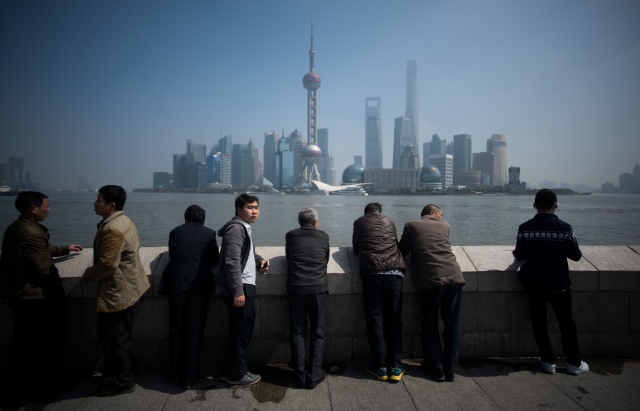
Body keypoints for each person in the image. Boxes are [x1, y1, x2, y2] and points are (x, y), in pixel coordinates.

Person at [0, 191, 83, 407]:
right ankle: (38, 389)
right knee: (40, 344)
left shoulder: (18, 227)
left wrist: (65, 248)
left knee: (24, 344)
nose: (49, 209)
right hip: (34, 298)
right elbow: (45, 268)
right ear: (33, 209)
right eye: (46, 205)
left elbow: (40, 251)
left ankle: (21, 388)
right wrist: (57, 292)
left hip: (22, 296)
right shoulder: (30, 232)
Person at [512, 188, 589, 376]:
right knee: (566, 323)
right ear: (555, 205)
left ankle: (547, 361)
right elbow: (576, 256)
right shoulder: (565, 228)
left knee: (539, 322)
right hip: (559, 283)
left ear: (534, 205)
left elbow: (520, 255)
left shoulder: (525, 228)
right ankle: (574, 363)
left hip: (534, 283)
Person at [82, 185, 150, 397]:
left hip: (118, 292)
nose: (95, 203)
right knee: (119, 336)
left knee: (115, 338)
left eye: (99, 200)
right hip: (130, 286)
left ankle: (123, 381)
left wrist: (88, 275)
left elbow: (107, 265)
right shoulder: (124, 220)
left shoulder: (113, 228)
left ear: (111, 205)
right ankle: (126, 370)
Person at [398, 204, 465, 383]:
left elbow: (402, 249)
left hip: (430, 279)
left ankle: (435, 368)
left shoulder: (411, 225)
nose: (441, 218)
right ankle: (450, 369)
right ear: (433, 213)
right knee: (452, 324)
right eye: (440, 215)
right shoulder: (446, 226)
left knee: (430, 322)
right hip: (454, 276)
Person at [159, 205, 219, 389]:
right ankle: (190, 375)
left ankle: (174, 373)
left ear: (185, 218)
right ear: (203, 219)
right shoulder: (209, 233)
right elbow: (215, 260)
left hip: (176, 285)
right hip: (198, 286)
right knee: (194, 329)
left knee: (176, 328)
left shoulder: (175, 232)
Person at [216, 193, 268, 385]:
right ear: (239, 210)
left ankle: (228, 370)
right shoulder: (236, 229)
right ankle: (237, 374)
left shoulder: (243, 228)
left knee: (239, 331)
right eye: (249, 207)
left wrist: (259, 260)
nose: (254, 211)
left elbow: (246, 253)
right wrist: (238, 291)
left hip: (244, 285)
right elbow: (231, 261)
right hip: (241, 288)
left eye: (256, 207)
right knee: (241, 333)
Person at [352, 202, 406, 382]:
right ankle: (396, 367)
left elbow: (356, 248)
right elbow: (395, 243)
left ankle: (380, 366)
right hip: (394, 273)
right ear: (380, 212)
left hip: (372, 274)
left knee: (375, 319)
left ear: (366, 212)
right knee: (395, 320)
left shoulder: (359, 222)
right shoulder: (390, 221)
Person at [285, 208, 330, 389]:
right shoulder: (324, 236)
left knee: (297, 332)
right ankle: (314, 374)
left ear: (300, 222)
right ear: (315, 222)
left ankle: (300, 374)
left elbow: (289, 257)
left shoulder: (291, 235)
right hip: (318, 288)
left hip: (296, 288)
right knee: (317, 332)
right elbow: (325, 259)